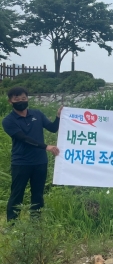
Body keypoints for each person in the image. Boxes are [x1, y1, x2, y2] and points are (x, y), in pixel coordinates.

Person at [2, 87, 62, 221]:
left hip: (40, 161)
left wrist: (58, 117)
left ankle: (35, 221)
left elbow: (53, 128)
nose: (21, 101)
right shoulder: (8, 121)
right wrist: (46, 146)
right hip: (21, 162)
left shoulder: (37, 114)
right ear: (10, 101)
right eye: (17, 99)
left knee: (38, 193)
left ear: (27, 99)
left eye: (23, 98)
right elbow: (23, 138)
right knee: (17, 193)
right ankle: (12, 223)